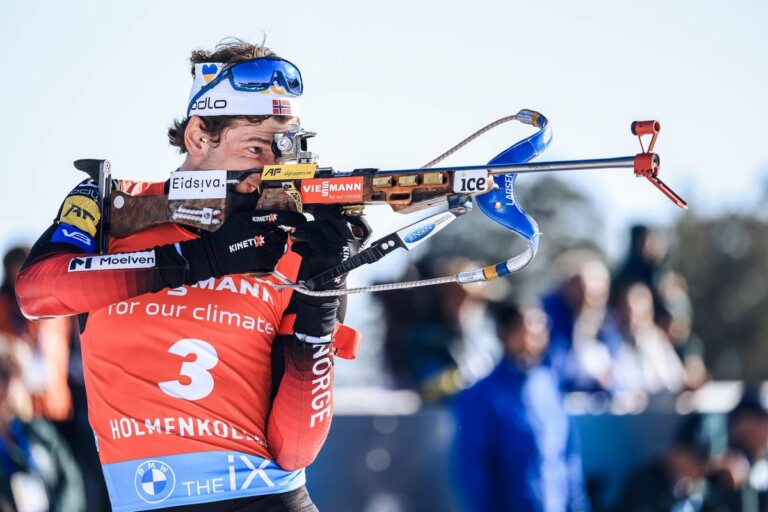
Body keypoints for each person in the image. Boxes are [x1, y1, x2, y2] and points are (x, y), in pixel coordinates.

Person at [16, 38, 358, 511]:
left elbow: (296, 448)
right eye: (255, 148)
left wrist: (323, 299)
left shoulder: (291, 245)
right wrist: (203, 258)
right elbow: (36, 291)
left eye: (283, 152)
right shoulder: (115, 205)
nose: (270, 171)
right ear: (199, 137)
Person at [453, 300, 590, 512]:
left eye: (542, 326)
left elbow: (568, 458)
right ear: (505, 333)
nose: (537, 335)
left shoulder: (549, 386)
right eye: (528, 327)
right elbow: (475, 471)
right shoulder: (482, 395)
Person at [0, 345, 86, 511]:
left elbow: (70, 480)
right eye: (4, 374)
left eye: (15, 375)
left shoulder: (39, 432)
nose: (11, 384)